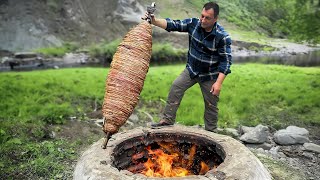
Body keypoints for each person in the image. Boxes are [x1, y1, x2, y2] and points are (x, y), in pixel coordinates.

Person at [143, 2, 232, 132]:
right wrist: (154, 21)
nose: (203, 20)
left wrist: (218, 83)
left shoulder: (222, 36)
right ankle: (167, 120)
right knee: (175, 88)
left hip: (209, 75)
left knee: (211, 105)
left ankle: (211, 132)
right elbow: (174, 24)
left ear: (215, 19)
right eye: (202, 16)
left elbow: (226, 62)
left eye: (207, 18)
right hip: (191, 70)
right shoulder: (193, 24)